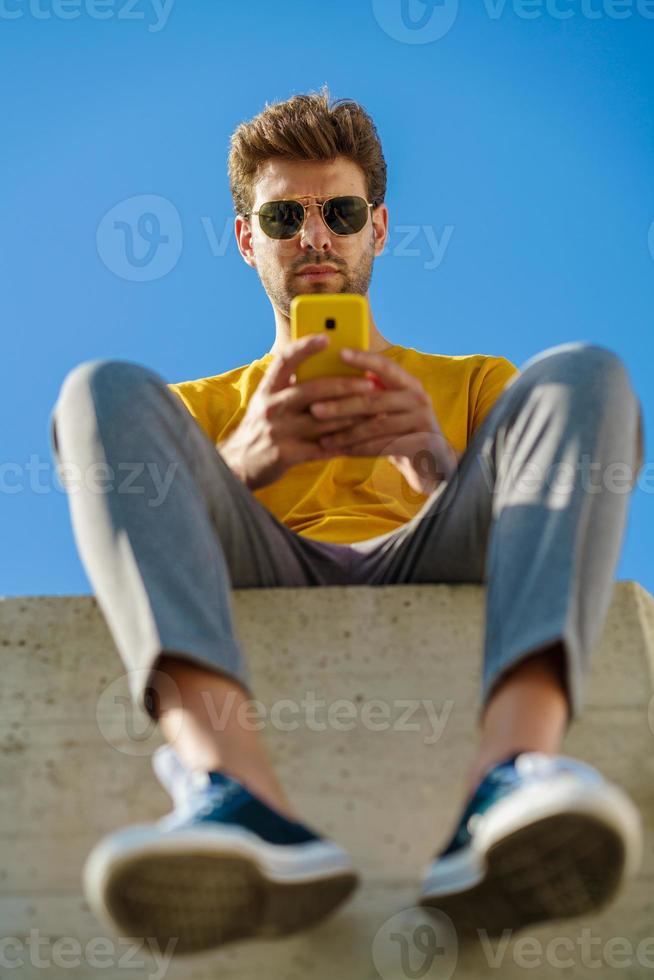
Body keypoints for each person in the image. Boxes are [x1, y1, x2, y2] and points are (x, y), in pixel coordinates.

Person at [49, 88, 645, 955]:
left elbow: (527, 517)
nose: (316, 236)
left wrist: (436, 468)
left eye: (341, 211)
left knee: (584, 374)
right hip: (259, 560)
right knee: (97, 392)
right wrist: (244, 463)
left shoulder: (475, 381)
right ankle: (232, 793)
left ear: (379, 227)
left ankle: (514, 772)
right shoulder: (189, 411)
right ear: (249, 239)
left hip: (434, 550)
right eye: (285, 216)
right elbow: (153, 549)